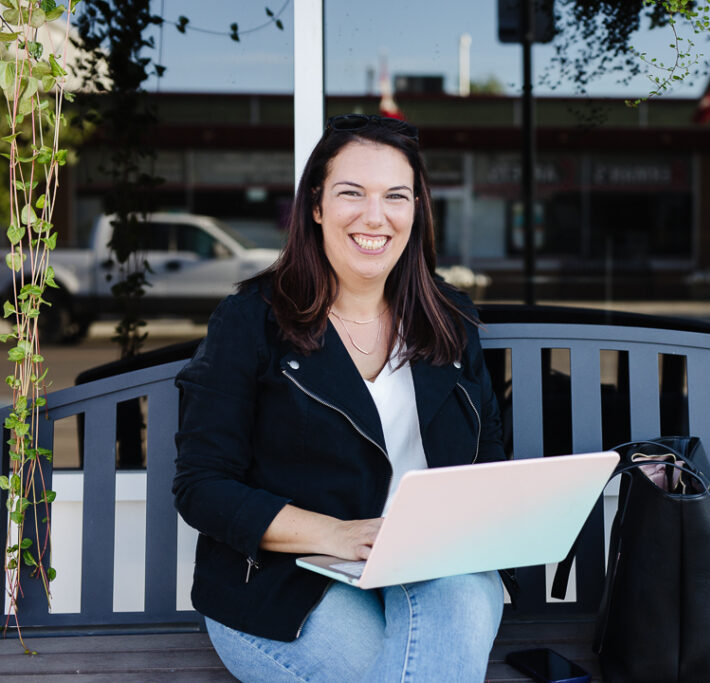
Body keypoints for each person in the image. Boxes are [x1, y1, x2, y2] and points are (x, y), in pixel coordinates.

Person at [172, 114, 507, 682]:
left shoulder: (451, 319)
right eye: (352, 192)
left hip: (437, 563)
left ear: (416, 211)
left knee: (458, 605)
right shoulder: (251, 321)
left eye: (396, 196)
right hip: (287, 579)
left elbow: (487, 463)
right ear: (317, 206)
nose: (375, 216)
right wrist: (339, 535)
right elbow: (202, 487)